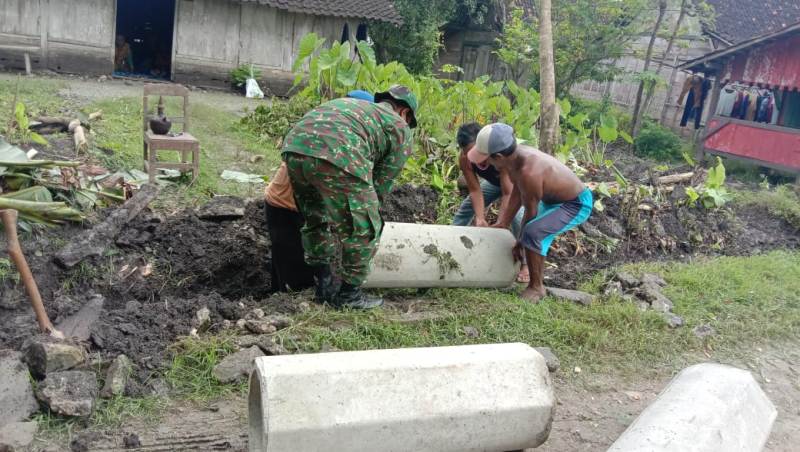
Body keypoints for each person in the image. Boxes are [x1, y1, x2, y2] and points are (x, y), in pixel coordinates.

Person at [282, 85, 418, 309]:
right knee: (365, 226)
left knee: (315, 219)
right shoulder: (399, 126)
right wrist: (362, 215)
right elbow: (379, 186)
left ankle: (323, 285)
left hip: (295, 148)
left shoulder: (357, 107)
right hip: (338, 152)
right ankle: (349, 296)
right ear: (405, 113)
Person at [468, 123, 593, 303]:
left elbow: (530, 212)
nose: (486, 164)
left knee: (533, 233)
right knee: (532, 234)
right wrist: (503, 222)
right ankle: (535, 281)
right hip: (554, 201)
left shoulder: (529, 172)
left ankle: (536, 287)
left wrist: (520, 241)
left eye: (488, 160)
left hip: (575, 204)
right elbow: (517, 193)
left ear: (499, 156)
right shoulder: (514, 160)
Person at [452, 122, 527, 281]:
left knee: (518, 218)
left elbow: (508, 193)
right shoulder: (465, 158)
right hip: (495, 184)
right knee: (466, 208)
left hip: (518, 186)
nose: (476, 159)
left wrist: (501, 223)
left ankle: (525, 263)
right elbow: (474, 190)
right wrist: (480, 218)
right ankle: (451, 243)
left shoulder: (501, 154)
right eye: (468, 152)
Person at [264, 162, 315, 293]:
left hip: (299, 204)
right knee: (295, 272)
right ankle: (285, 297)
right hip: (284, 206)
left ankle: (279, 293)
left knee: (287, 263)